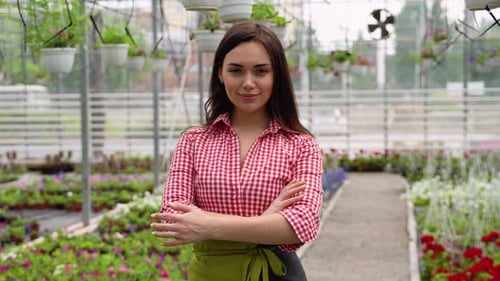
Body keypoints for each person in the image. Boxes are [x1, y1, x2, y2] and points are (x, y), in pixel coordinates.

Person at [151, 21, 323, 281]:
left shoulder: (300, 145)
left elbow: (303, 223)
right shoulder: (193, 141)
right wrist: (267, 220)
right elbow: (174, 220)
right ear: (220, 73)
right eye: (236, 71)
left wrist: (208, 225)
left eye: (261, 71)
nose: (248, 83)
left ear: (276, 76)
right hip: (212, 275)